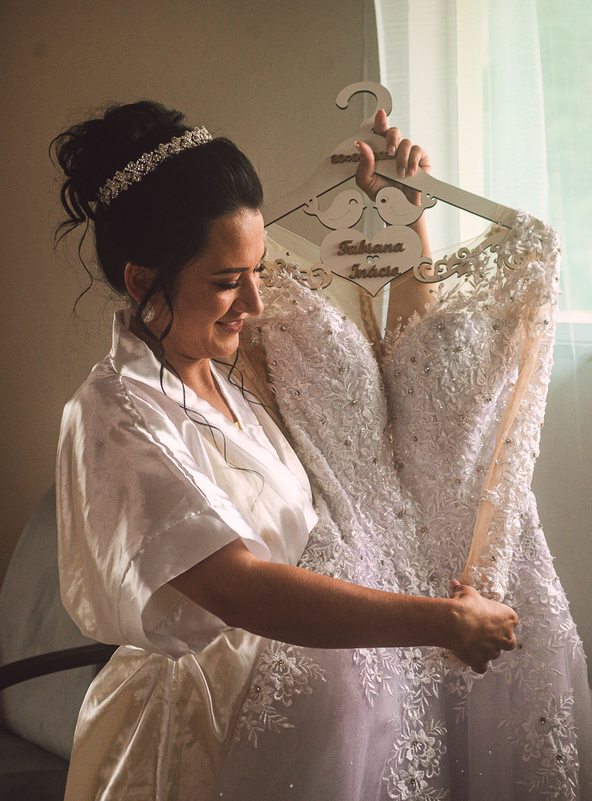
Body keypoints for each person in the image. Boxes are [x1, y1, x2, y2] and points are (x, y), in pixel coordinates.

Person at [53, 100, 523, 801]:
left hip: (322, 721)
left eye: (257, 270)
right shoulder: (114, 415)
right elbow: (236, 586)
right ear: (142, 280)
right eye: (225, 281)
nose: (256, 300)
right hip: (197, 741)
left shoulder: (239, 371)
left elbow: (393, 386)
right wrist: (439, 621)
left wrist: (396, 209)